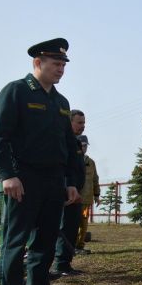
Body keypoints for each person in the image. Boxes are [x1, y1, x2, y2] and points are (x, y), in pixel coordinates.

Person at [0, 38, 80, 285]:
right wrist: (8, 175)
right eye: (55, 64)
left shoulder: (61, 102)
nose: (61, 69)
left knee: (45, 242)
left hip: (54, 180)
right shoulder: (16, 91)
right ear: (37, 63)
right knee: (15, 242)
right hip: (23, 178)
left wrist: (71, 181)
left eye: (63, 64)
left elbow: (69, 144)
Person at [52, 110, 86, 275]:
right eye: (79, 122)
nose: (83, 126)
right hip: (65, 192)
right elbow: (64, 168)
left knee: (72, 227)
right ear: (69, 122)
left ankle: (66, 263)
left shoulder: (75, 142)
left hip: (75, 191)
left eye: (83, 123)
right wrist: (68, 187)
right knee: (65, 227)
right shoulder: (62, 141)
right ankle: (61, 263)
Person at [75, 135, 100, 254]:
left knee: (84, 223)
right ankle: (71, 246)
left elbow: (95, 179)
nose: (84, 148)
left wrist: (97, 195)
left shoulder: (91, 162)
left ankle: (80, 245)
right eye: (82, 145)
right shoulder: (72, 159)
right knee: (73, 223)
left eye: (85, 145)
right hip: (74, 200)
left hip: (86, 200)